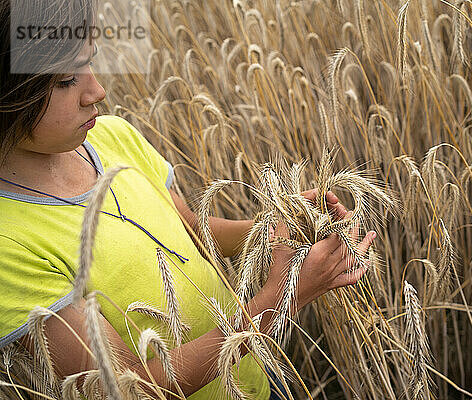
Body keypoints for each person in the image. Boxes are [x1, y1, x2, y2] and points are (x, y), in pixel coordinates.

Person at [0, 0, 376, 399]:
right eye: (65, 80)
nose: (97, 90)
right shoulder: (8, 244)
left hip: (252, 376)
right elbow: (128, 388)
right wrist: (282, 298)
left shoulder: (112, 137)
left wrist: (279, 226)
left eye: (89, 63)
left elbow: (193, 231)